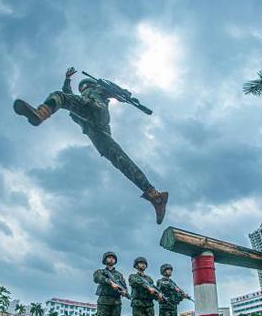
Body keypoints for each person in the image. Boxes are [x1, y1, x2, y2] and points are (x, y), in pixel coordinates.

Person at [13, 67, 168, 224]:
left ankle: (42, 113)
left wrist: (123, 94)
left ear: (91, 85)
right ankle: (155, 195)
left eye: (84, 87)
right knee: (120, 160)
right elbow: (68, 93)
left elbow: (115, 92)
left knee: (60, 97)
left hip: (96, 111)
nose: (82, 89)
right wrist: (67, 79)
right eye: (81, 88)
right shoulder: (81, 97)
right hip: (97, 133)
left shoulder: (98, 89)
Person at [92, 251, 127, 316]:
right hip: (103, 302)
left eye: (113, 258)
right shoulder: (100, 271)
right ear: (105, 260)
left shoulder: (119, 275)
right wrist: (110, 282)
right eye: (109, 257)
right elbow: (97, 278)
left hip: (116, 303)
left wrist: (124, 291)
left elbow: (124, 286)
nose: (111, 259)